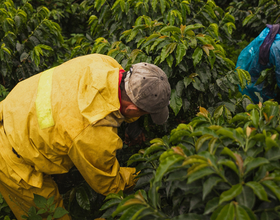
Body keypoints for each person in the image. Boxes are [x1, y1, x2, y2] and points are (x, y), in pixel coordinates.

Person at [0, 54, 171, 220]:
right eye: (144, 113)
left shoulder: (103, 62)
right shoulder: (93, 132)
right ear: (132, 110)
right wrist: (148, 175)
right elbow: (109, 184)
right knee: (49, 215)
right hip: (11, 159)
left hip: (12, 109)